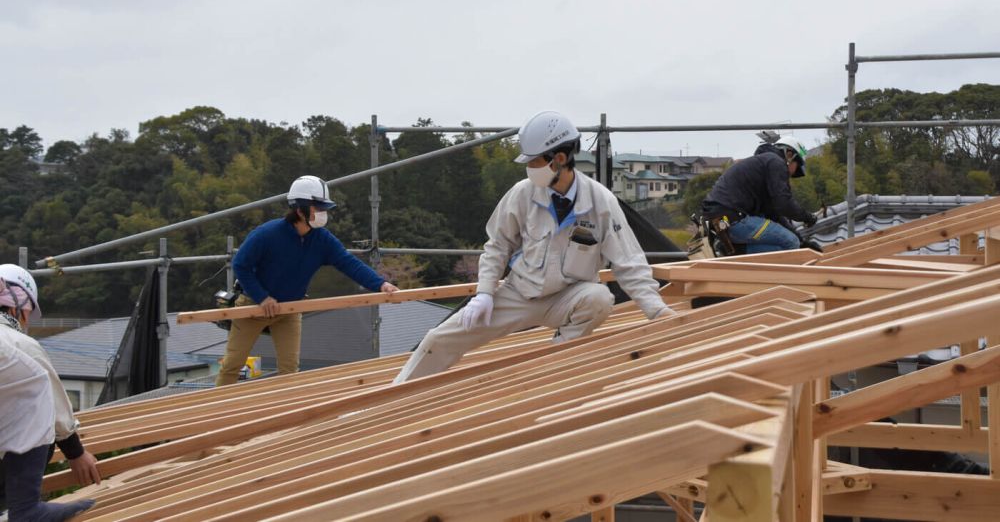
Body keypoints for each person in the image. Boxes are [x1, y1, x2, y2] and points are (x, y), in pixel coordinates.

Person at [394, 111, 675, 384]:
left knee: (599, 298)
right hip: (519, 294)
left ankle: (555, 366)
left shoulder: (600, 202)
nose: (530, 168)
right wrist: (484, 293)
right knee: (438, 340)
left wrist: (657, 311)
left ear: (560, 159)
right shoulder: (522, 193)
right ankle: (395, 395)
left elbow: (628, 261)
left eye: (535, 161)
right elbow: (498, 245)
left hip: (567, 297)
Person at [215, 176, 399, 386]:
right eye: (318, 208)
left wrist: (380, 284)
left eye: (324, 208)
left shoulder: (322, 239)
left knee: (290, 370)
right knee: (232, 364)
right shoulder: (267, 234)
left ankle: (290, 414)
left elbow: (349, 263)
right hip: (253, 307)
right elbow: (241, 265)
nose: (323, 213)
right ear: (300, 209)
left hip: (290, 309)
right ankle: (211, 412)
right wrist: (262, 297)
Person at [0, 264, 98, 520]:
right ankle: (25, 508)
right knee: (36, 393)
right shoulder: (18, 343)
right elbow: (53, 405)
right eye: (27, 313)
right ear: (15, 306)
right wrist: (76, 453)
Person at [701, 134, 818, 254]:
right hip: (733, 219)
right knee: (791, 243)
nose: (792, 174)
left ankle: (735, 250)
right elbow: (784, 204)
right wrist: (807, 217)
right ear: (789, 155)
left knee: (789, 245)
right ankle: (735, 251)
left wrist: (802, 242)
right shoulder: (776, 162)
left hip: (721, 221)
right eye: (797, 165)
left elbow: (773, 214)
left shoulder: (763, 165)